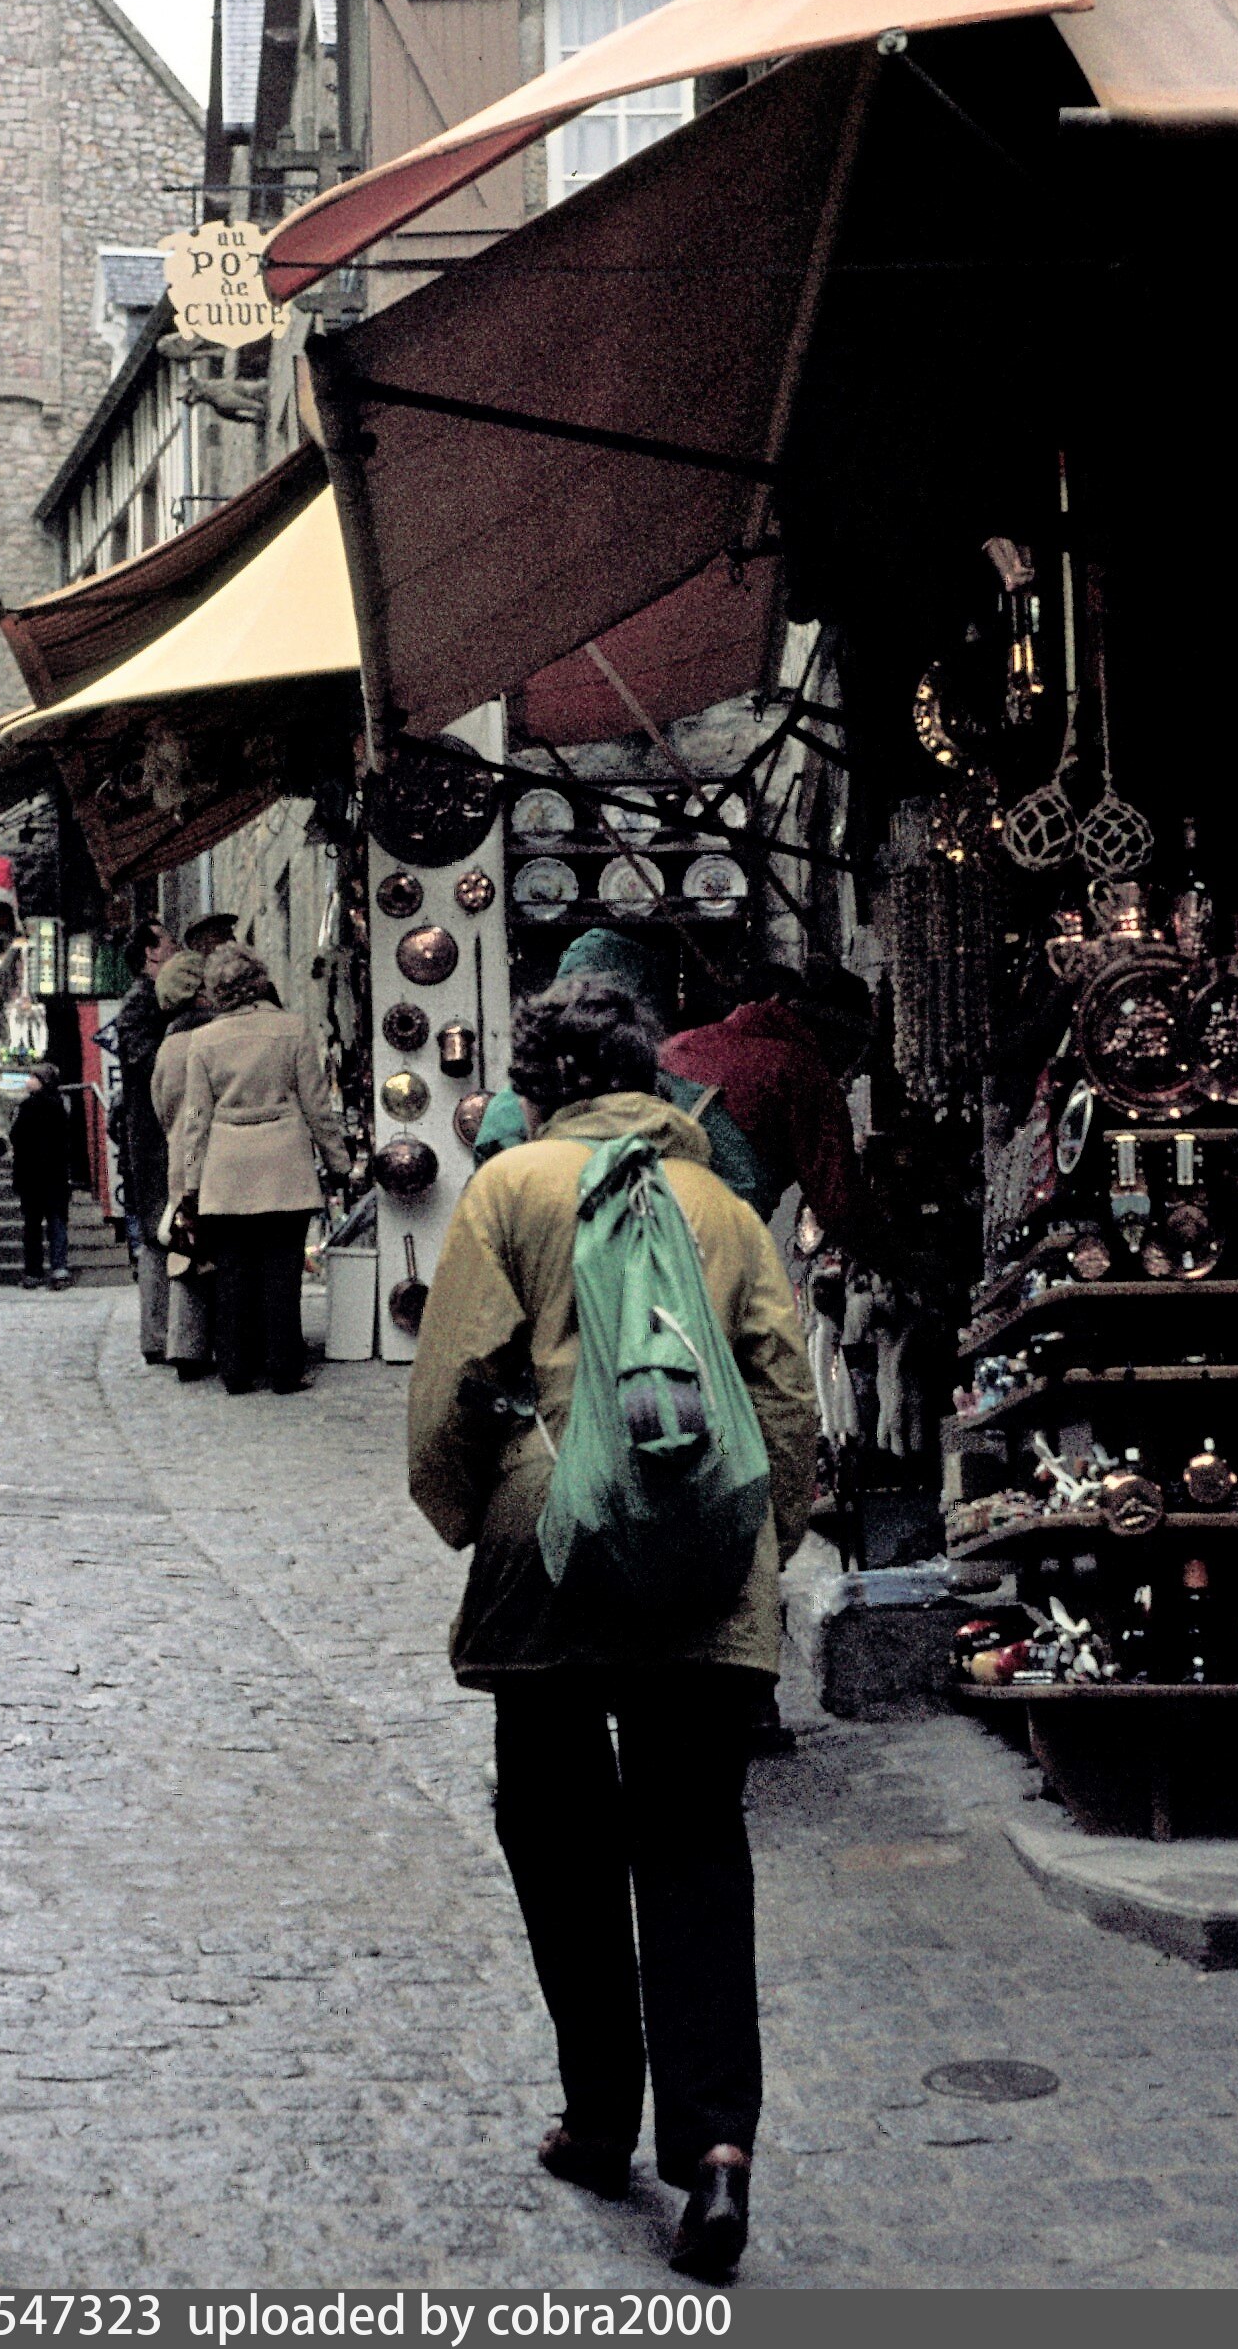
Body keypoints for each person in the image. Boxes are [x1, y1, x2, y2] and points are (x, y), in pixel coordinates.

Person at [407, 975, 815, 2280]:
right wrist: (762, 1539)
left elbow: (455, 1385)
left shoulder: (508, 1189)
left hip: (550, 1557)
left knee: (560, 1839)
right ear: (652, 1078)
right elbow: (785, 1393)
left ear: (539, 1085)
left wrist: (472, 1514)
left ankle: (597, 2118)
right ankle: (718, 2147)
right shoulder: (723, 1205)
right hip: (702, 1553)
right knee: (696, 1843)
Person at [471, 929, 763, 1207]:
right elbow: (745, 1190)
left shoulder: (510, 1106)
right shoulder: (688, 1101)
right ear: (639, 1018)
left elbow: (489, 1204)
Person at [174, 944, 349, 1396]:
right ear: (259, 981)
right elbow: (317, 1107)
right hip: (284, 1168)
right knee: (282, 1274)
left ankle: (235, 1370)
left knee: (232, 1275)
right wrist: (338, 1162)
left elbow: (195, 1120)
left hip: (226, 1173)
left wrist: (191, 1181)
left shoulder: (203, 1041)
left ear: (216, 990)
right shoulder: (292, 1030)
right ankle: (284, 1369)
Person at [659, 959, 874, 1236]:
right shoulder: (804, 1073)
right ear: (836, 1036)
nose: (850, 1067)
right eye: (853, 1050)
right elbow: (840, 1209)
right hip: (703, 1230)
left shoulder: (685, 1043)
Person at [148, 952, 217, 1379]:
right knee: (223, 1249)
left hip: (181, 1153)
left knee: (185, 1247)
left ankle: (186, 1346)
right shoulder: (214, 1036)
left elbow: (162, 1106)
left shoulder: (169, 1045)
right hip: (219, 1150)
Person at [114, 919, 178, 1362]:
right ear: (151, 953)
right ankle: (157, 1336)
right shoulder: (141, 1002)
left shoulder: (155, 999)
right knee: (159, 1231)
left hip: (163, 1131)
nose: (175, 945)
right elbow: (150, 1064)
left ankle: (168, 1333)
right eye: (167, 940)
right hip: (154, 1136)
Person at [8, 1063, 73, 1290]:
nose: (28, 1081)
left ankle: (33, 1271)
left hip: (31, 1174)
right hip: (55, 1174)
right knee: (57, 1222)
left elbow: (16, 1136)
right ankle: (59, 1268)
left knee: (32, 1225)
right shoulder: (61, 1105)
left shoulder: (27, 1107)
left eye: (33, 1077)